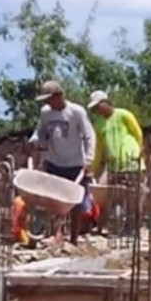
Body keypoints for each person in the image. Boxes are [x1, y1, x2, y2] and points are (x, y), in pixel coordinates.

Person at [28, 80, 96, 242]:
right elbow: (40, 132)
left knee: (76, 202)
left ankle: (73, 238)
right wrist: (34, 141)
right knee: (51, 199)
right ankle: (53, 234)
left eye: (49, 99)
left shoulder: (76, 112)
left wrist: (89, 159)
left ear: (59, 96)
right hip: (54, 161)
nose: (47, 103)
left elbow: (89, 135)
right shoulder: (46, 113)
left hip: (75, 163)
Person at [87, 90, 146, 232]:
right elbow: (99, 149)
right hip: (114, 166)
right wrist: (93, 169)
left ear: (105, 103)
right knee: (108, 196)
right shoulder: (99, 124)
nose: (96, 110)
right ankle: (104, 225)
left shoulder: (124, 115)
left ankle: (134, 228)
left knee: (135, 198)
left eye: (97, 106)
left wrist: (138, 153)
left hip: (131, 163)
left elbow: (138, 133)